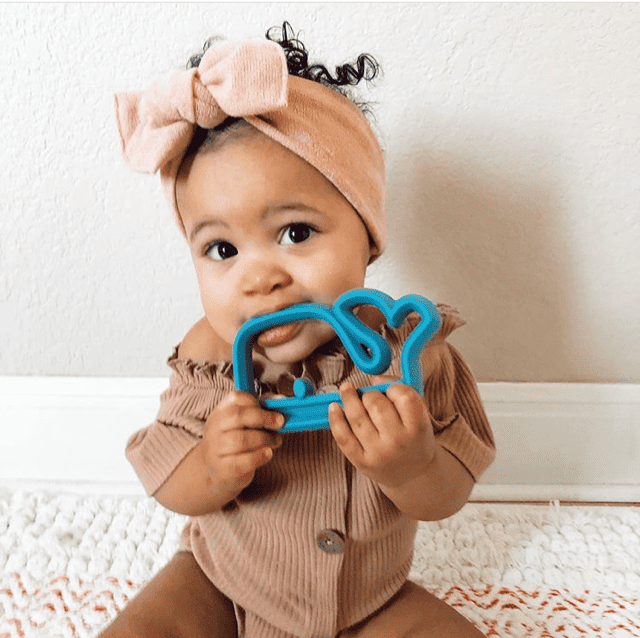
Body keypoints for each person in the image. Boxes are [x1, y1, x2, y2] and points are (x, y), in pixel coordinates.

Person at [104, 22, 495, 638]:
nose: (259, 280)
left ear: (366, 235)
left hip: (372, 599)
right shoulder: (211, 358)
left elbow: (447, 495)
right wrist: (212, 465)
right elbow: (166, 480)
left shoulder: (408, 353)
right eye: (223, 249)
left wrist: (411, 467)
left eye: (295, 234)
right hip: (223, 586)